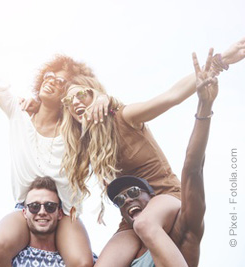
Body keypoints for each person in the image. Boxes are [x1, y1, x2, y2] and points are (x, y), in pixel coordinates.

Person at [59, 40, 245, 267]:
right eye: (69, 100)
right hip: (131, 213)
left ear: (96, 94)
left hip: (165, 196)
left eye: (82, 94)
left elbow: (171, 96)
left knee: (145, 224)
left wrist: (220, 62)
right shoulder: (83, 146)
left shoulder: (125, 117)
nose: (75, 102)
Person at [0, 0, 108, 266]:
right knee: (0, 244)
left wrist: (102, 98)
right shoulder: (19, 113)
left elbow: (105, 122)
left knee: (83, 264)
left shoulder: (77, 130)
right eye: (50, 76)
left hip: (66, 212)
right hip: (27, 208)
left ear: (70, 94)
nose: (53, 81)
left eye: (62, 82)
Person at [106, 49, 219, 266]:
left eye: (133, 192)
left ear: (153, 197)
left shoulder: (182, 233)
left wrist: (204, 107)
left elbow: (193, 166)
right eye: (120, 200)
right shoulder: (130, 253)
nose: (127, 199)